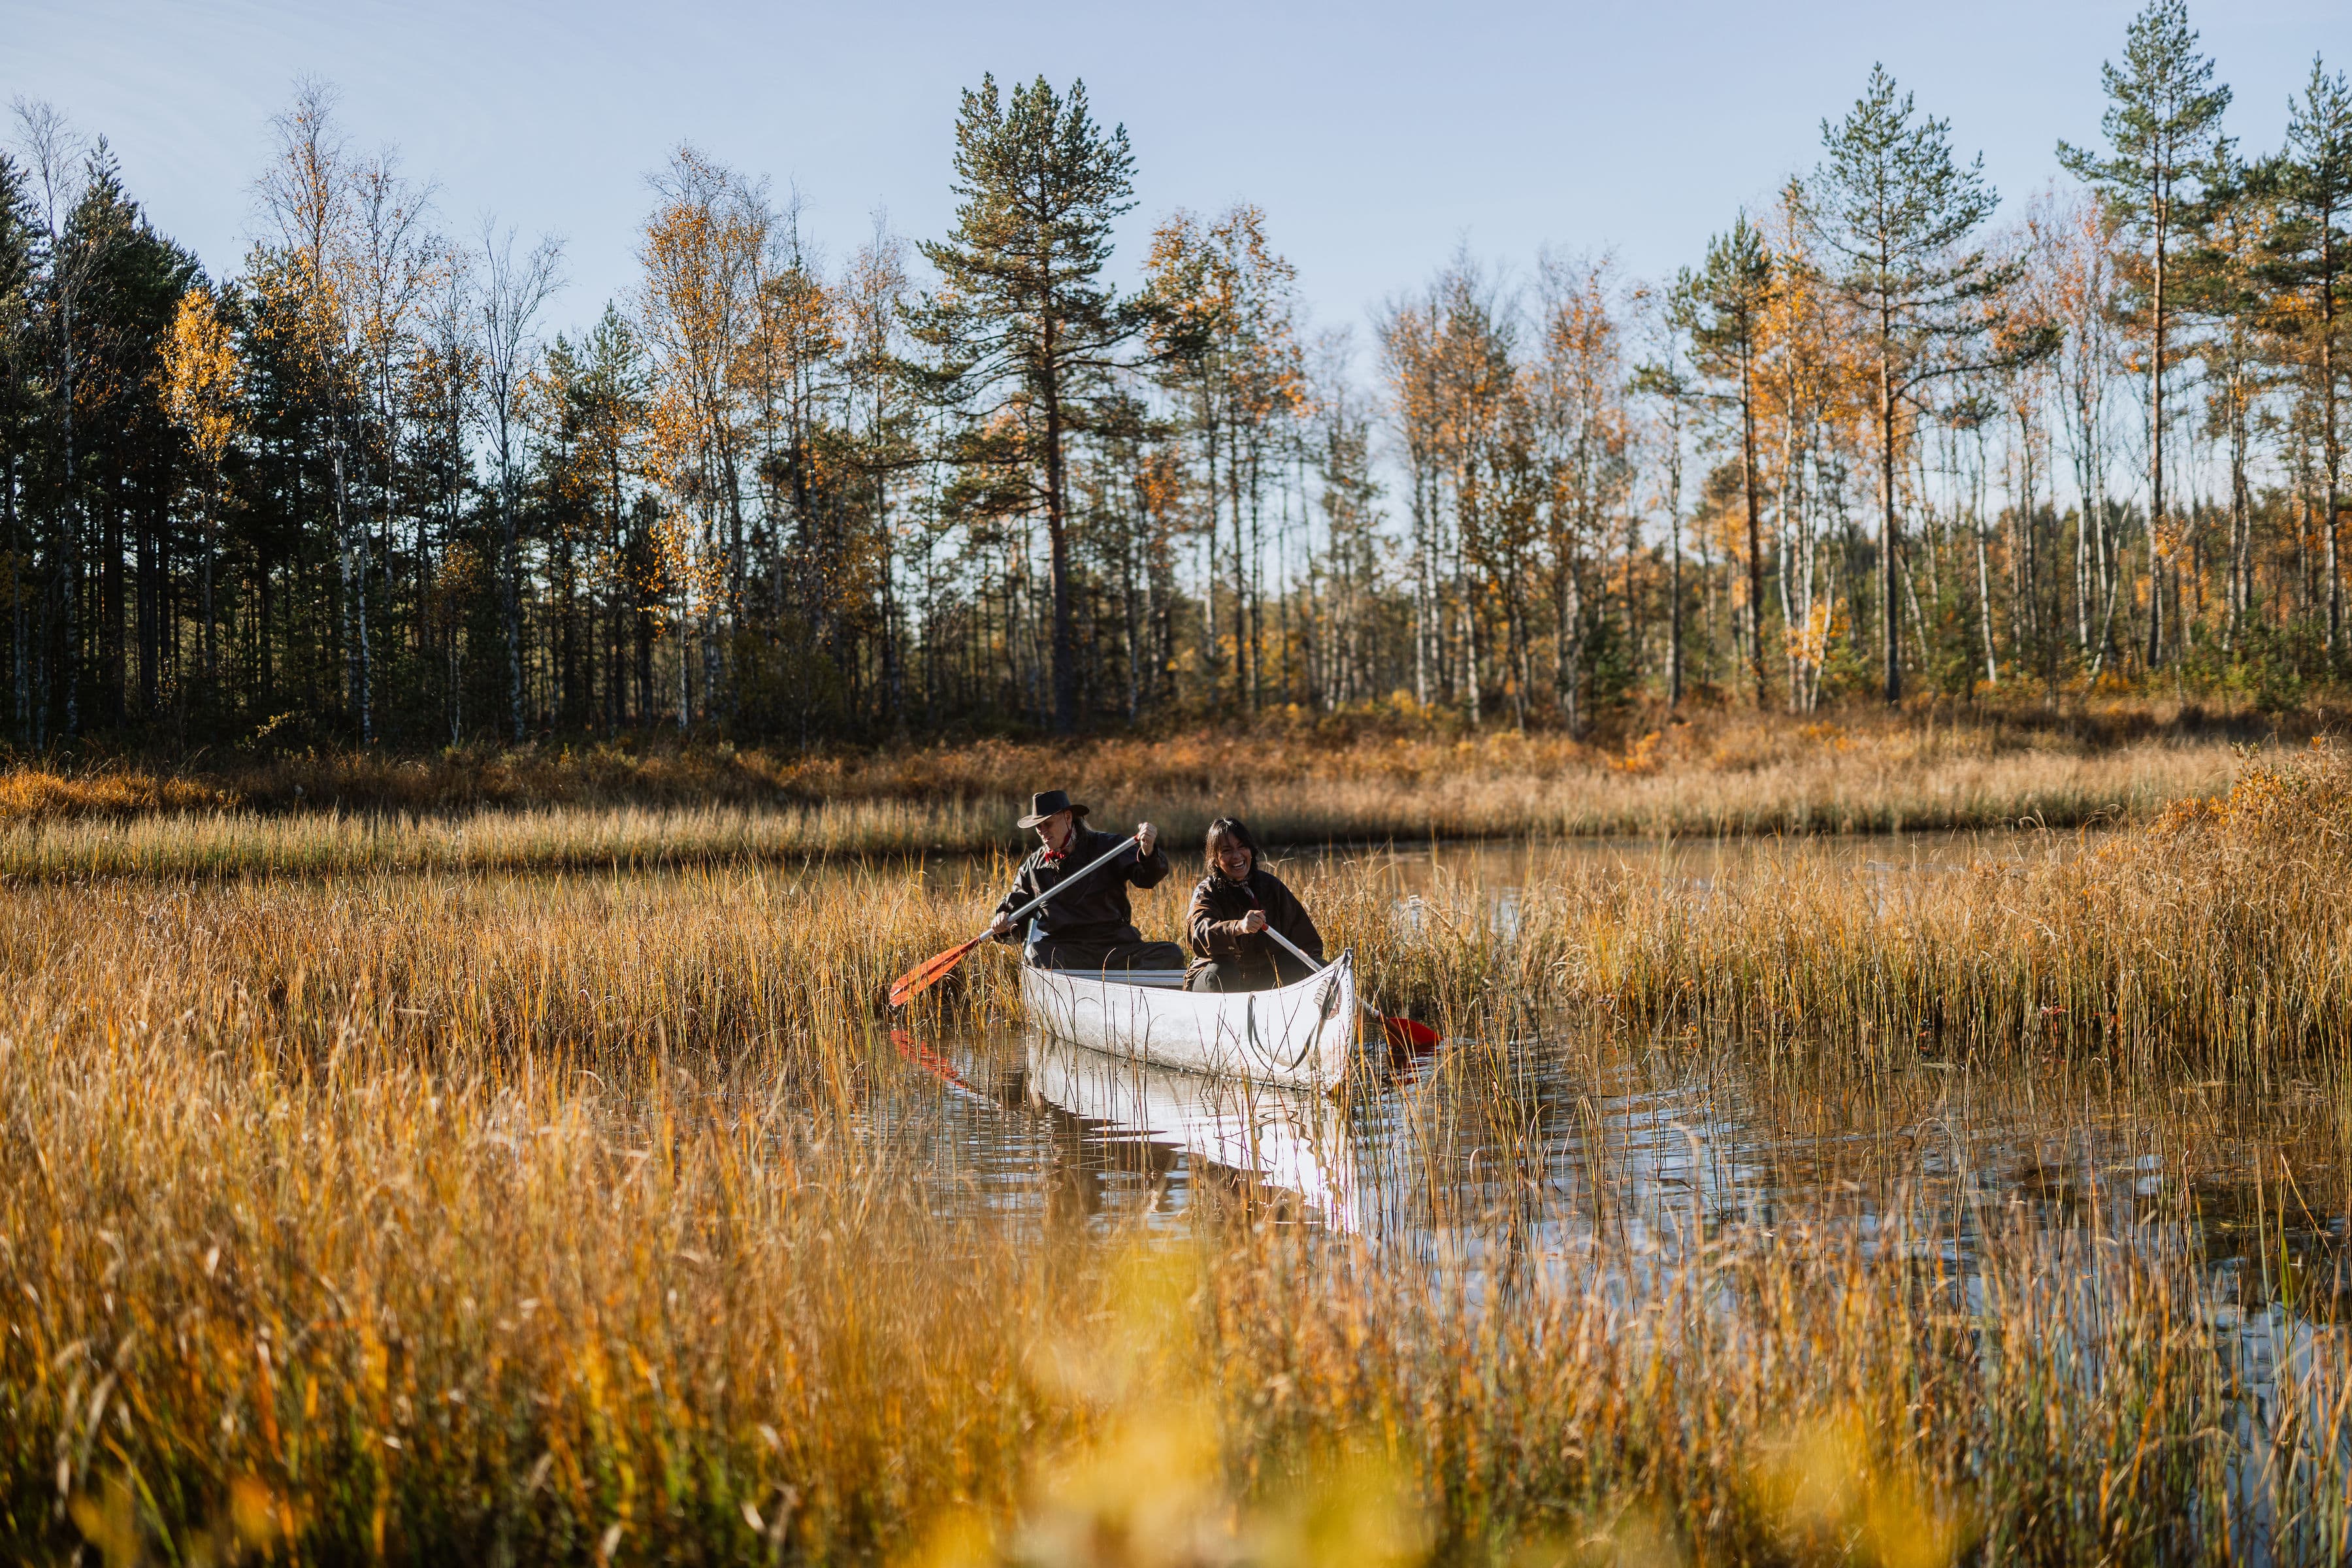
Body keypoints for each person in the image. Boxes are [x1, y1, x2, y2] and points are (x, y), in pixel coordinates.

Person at [987, 789, 1186, 973]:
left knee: (1171, 954)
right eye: (1038, 826)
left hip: (1115, 946)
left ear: (1068, 817)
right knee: (1035, 953)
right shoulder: (1033, 866)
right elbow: (1017, 907)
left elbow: (1146, 878)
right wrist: (1004, 919)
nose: (1042, 831)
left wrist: (1148, 851)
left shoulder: (1108, 847)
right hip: (1067, 950)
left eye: (1048, 823)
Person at [1183, 817, 1324, 992]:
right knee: (1223, 973)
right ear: (1215, 859)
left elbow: (1307, 942)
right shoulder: (1207, 892)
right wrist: (1239, 927)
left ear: (1251, 850)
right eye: (1226, 851)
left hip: (1260, 979)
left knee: (1300, 964)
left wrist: (1317, 971)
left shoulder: (1271, 886)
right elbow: (1198, 934)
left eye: (1242, 847)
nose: (1237, 856)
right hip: (1213, 977)